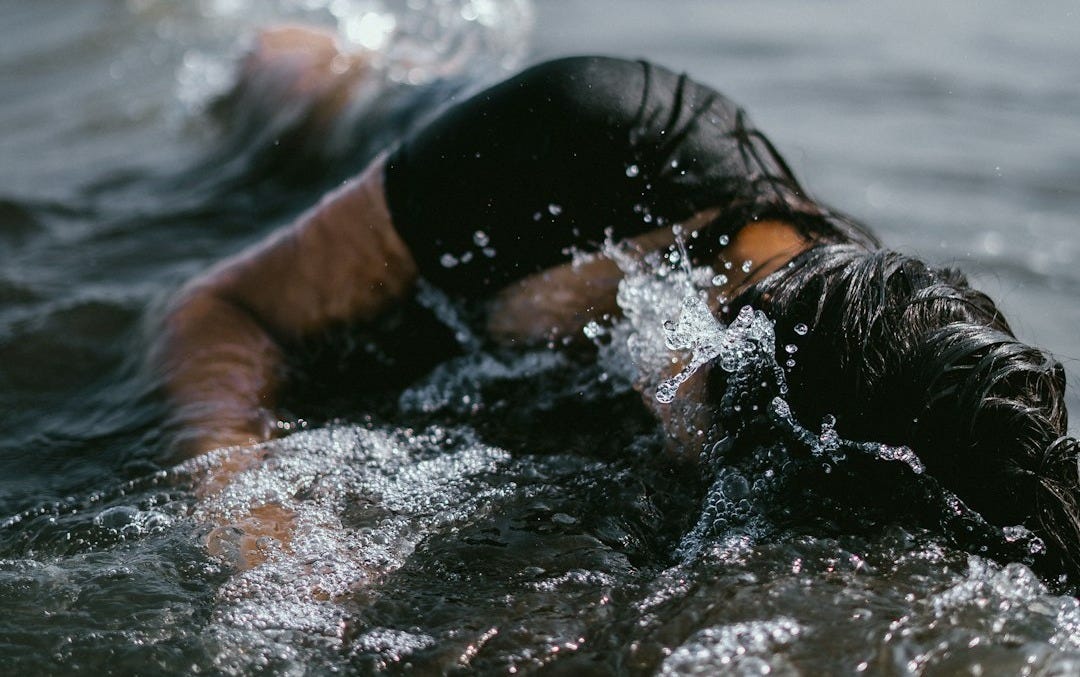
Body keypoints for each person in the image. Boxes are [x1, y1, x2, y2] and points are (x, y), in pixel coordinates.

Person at [154, 27, 1080, 577]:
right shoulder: (592, 129)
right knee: (295, 74)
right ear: (713, 363)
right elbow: (220, 311)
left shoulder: (876, 354)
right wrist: (254, 508)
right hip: (333, 148)